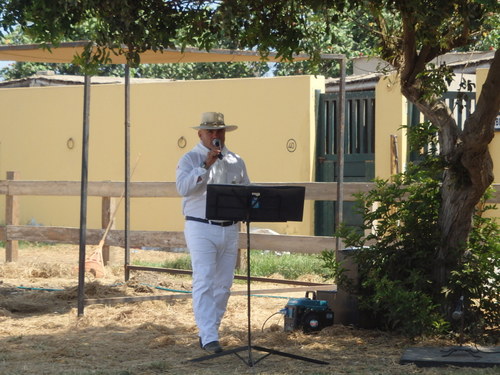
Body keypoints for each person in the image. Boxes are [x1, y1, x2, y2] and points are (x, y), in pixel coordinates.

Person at [176, 111, 250, 354]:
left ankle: (211, 331)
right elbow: (183, 189)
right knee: (204, 280)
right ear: (201, 134)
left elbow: (246, 192)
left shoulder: (236, 160)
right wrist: (205, 165)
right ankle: (208, 337)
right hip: (200, 226)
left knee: (224, 285)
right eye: (211, 131)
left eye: (220, 131)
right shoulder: (190, 158)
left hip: (230, 227)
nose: (216, 135)